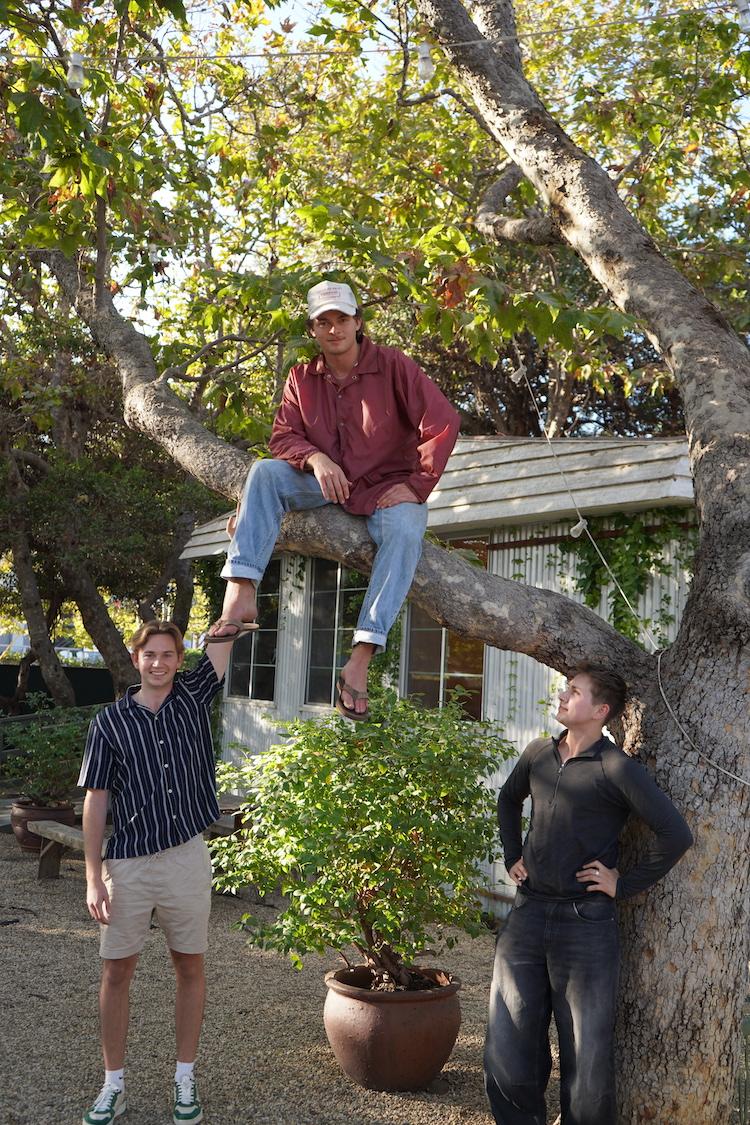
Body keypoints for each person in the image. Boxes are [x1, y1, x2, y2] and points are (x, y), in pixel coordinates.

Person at [212, 279, 460, 721]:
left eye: (341, 319)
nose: (333, 329)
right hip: (329, 483)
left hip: (387, 487)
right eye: (323, 322)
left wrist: (418, 485)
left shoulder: (394, 366)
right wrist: (316, 458)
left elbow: (442, 422)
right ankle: (241, 592)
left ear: (357, 322)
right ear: (312, 330)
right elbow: (283, 436)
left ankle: (361, 656)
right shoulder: (301, 378)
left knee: (406, 530)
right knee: (264, 473)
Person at [484, 662, 693, 1125]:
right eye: (565, 688)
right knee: (508, 1042)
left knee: (587, 1059)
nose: (562, 695)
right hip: (527, 914)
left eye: (573, 692)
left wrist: (624, 883)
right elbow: (508, 799)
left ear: (600, 710)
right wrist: (512, 853)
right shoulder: (539, 753)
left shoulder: (617, 767)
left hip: (586, 925)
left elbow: (675, 834)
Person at [79, 619, 239, 1125]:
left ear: (178, 658)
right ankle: (113, 1086)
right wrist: (92, 875)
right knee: (116, 971)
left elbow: (227, 633)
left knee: (189, 967)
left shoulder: (193, 697)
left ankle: (184, 1078)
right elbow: (96, 801)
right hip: (127, 862)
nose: (159, 662)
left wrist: (229, 615)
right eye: (150, 654)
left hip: (187, 858)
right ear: (136, 658)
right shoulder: (109, 722)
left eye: (168, 654)